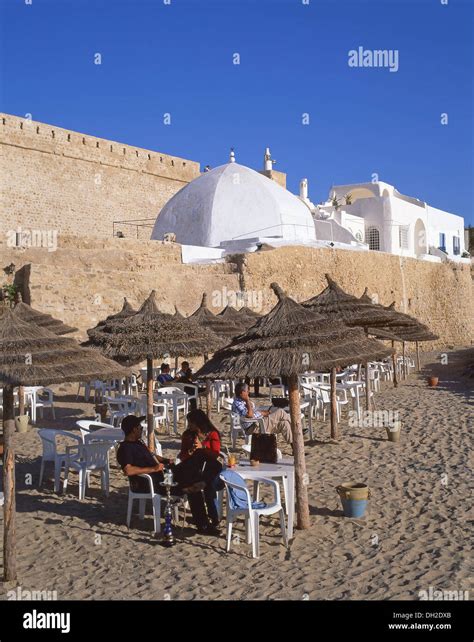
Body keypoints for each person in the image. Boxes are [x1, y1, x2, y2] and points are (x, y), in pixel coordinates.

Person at [116, 415, 218, 536]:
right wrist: (153, 468)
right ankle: (203, 524)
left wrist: (165, 460)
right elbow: (128, 470)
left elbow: (152, 455)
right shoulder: (125, 448)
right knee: (193, 484)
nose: (142, 429)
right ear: (134, 430)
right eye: (140, 427)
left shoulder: (138, 443)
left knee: (200, 456)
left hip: (165, 474)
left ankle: (201, 483)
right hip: (155, 483)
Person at [178, 409, 224, 528]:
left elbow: (215, 454)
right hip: (194, 469)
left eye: (191, 423)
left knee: (209, 486)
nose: (189, 426)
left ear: (198, 422)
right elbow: (182, 456)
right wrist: (190, 451)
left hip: (209, 468)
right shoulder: (188, 435)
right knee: (203, 484)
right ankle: (208, 519)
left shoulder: (212, 434)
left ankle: (214, 518)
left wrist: (202, 447)